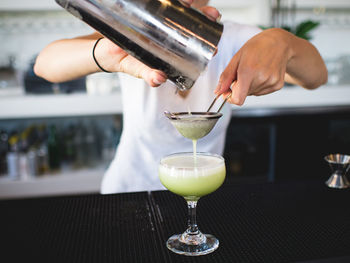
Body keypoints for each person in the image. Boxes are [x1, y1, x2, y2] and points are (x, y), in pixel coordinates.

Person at [34, 0, 328, 194]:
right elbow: (45, 63)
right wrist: (105, 53)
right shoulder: (137, 33)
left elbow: (317, 76)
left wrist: (283, 42)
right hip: (129, 190)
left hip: (202, 192)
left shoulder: (236, 39)